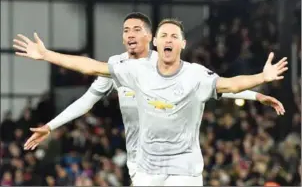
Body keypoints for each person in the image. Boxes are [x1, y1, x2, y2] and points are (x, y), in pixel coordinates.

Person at [14, 18, 287, 186]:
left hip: (181, 163)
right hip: (141, 159)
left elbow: (223, 85)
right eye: (125, 30)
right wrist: (51, 124)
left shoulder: (181, 68)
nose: (130, 35)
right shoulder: (124, 68)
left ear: (150, 38)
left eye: (136, 29)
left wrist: (257, 91)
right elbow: (87, 85)